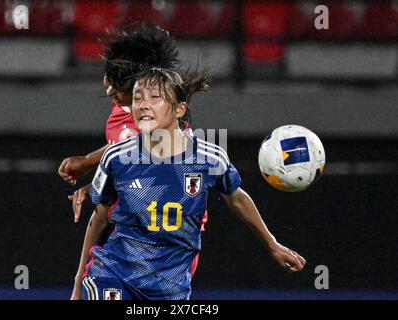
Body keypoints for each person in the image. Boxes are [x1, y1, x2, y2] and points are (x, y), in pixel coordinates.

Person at [81, 67, 306, 300]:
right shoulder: (116, 158)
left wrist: (272, 244)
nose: (143, 105)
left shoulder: (209, 159)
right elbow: (98, 219)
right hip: (114, 274)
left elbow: (236, 197)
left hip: (170, 286)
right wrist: (79, 283)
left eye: (155, 97)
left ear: (180, 109)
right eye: (137, 98)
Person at [60, 25, 206, 299]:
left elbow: (138, 160)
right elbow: (125, 150)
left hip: (167, 236)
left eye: (118, 85)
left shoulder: (159, 126)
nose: (109, 88)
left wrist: (97, 180)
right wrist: (92, 165)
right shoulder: (126, 106)